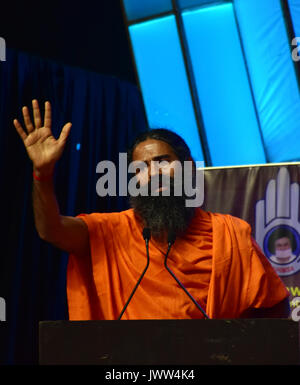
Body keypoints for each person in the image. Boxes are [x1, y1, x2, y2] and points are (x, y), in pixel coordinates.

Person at [14, 100, 290, 320]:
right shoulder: (111, 231)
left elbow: (273, 309)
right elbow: (51, 230)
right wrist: (42, 173)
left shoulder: (231, 234)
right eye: (141, 168)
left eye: (162, 161)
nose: (153, 173)